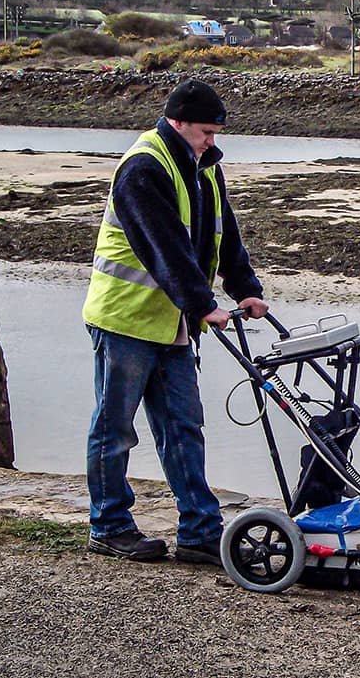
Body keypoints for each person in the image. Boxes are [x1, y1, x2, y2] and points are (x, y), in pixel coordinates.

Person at [81, 78, 268, 564]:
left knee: (184, 426)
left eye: (215, 132)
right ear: (178, 122)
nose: (213, 140)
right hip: (125, 319)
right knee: (115, 428)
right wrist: (205, 304)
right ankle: (109, 524)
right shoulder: (143, 169)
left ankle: (200, 532)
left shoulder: (205, 167)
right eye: (205, 131)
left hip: (174, 325)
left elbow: (221, 233)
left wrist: (245, 287)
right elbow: (164, 247)